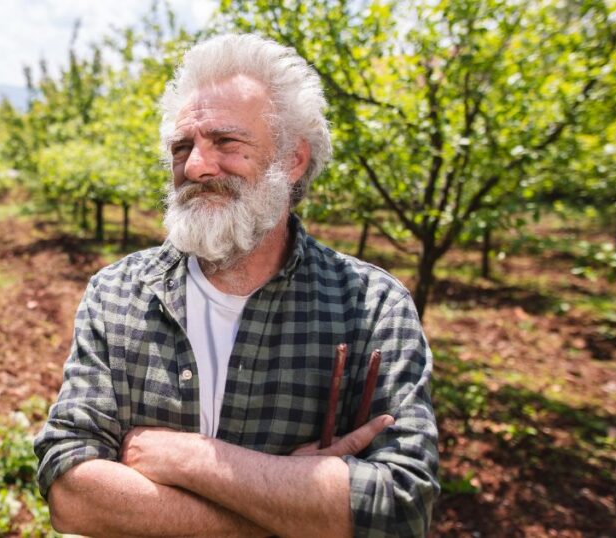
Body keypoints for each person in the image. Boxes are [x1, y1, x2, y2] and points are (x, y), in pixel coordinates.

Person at [33, 33, 439, 537]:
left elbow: (401, 509)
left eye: (225, 142)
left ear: (293, 158)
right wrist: (294, 504)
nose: (197, 166)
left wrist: (189, 460)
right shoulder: (116, 294)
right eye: (183, 147)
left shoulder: (372, 308)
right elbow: (72, 493)